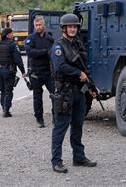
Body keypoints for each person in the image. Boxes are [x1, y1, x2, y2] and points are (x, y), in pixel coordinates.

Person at [49, 14, 97, 173]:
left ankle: (79, 157)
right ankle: (56, 161)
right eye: (69, 27)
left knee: (77, 126)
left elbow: (85, 67)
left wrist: (91, 86)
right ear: (63, 28)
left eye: (75, 27)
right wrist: (78, 73)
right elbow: (60, 66)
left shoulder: (77, 44)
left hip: (79, 92)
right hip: (65, 93)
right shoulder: (58, 47)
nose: (72, 29)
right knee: (60, 127)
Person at [26, 16, 55, 128]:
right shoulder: (31, 38)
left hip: (48, 72)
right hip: (36, 72)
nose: (38, 27)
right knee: (37, 97)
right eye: (36, 25)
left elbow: (53, 52)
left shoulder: (49, 39)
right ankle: (39, 119)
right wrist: (44, 52)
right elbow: (29, 52)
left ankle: (55, 117)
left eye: (40, 25)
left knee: (55, 94)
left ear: (44, 25)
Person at [0, 28, 27, 118]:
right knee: (8, 91)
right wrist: (23, 71)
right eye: (12, 33)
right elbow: (18, 59)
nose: (13, 35)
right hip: (9, 71)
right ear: (8, 35)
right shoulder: (12, 45)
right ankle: (6, 110)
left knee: (2, 91)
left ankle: (3, 108)